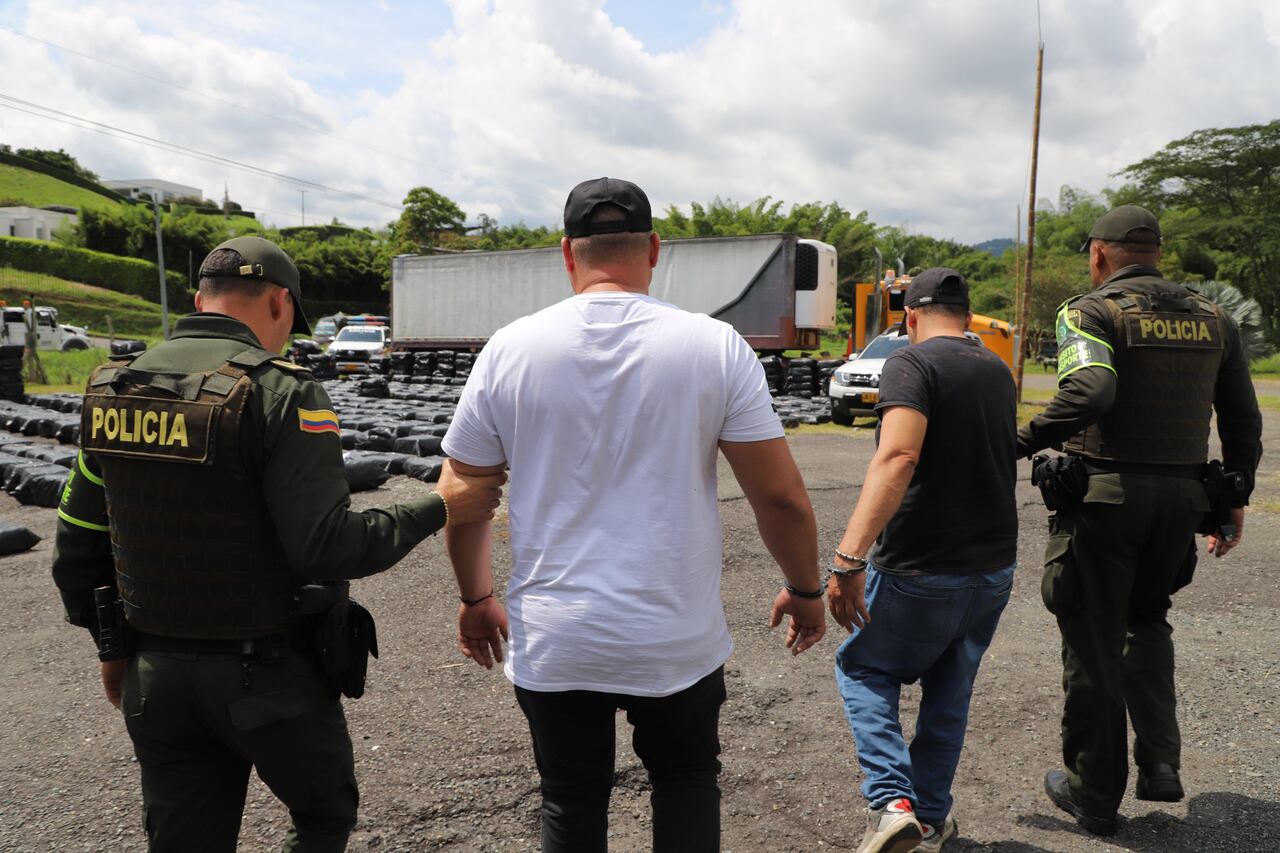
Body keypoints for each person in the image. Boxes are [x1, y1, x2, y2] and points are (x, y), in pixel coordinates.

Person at [51, 235, 505, 853]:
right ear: (281, 305)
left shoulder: (115, 387)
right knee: (321, 817)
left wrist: (112, 646)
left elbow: (76, 545)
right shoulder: (281, 392)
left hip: (153, 673)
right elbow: (327, 546)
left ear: (198, 299)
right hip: (264, 674)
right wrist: (442, 506)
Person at [440, 177, 826, 852]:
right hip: (673, 634)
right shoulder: (715, 347)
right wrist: (806, 589)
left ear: (567, 253)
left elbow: (464, 493)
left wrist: (476, 597)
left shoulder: (510, 349)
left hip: (558, 637)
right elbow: (782, 498)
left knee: (570, 800)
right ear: (654, 250)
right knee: (684, 782)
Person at [1018, 205, 1263, 836]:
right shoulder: (1216, 320)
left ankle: (1093, 795)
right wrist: (1233, 496)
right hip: (1181, 502)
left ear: (1099, 254)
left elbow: (1091, 391)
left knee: (1093, 641)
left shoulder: (1089, 311)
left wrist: (1020, 440)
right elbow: (1242, 419)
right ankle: (1159, 763)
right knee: (1147, 619)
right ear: (1157, 252)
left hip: (1106, 502)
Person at [827, 268, 1017, 853]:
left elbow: (898, 456)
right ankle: (930, 816)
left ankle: (892, 802)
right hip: (991, 567)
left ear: (910, 317)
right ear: (967, 314)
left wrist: (846, 560)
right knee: (949, 688)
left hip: (920, 565)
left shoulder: (911, 364)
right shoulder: (996, 369)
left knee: (864, 668)